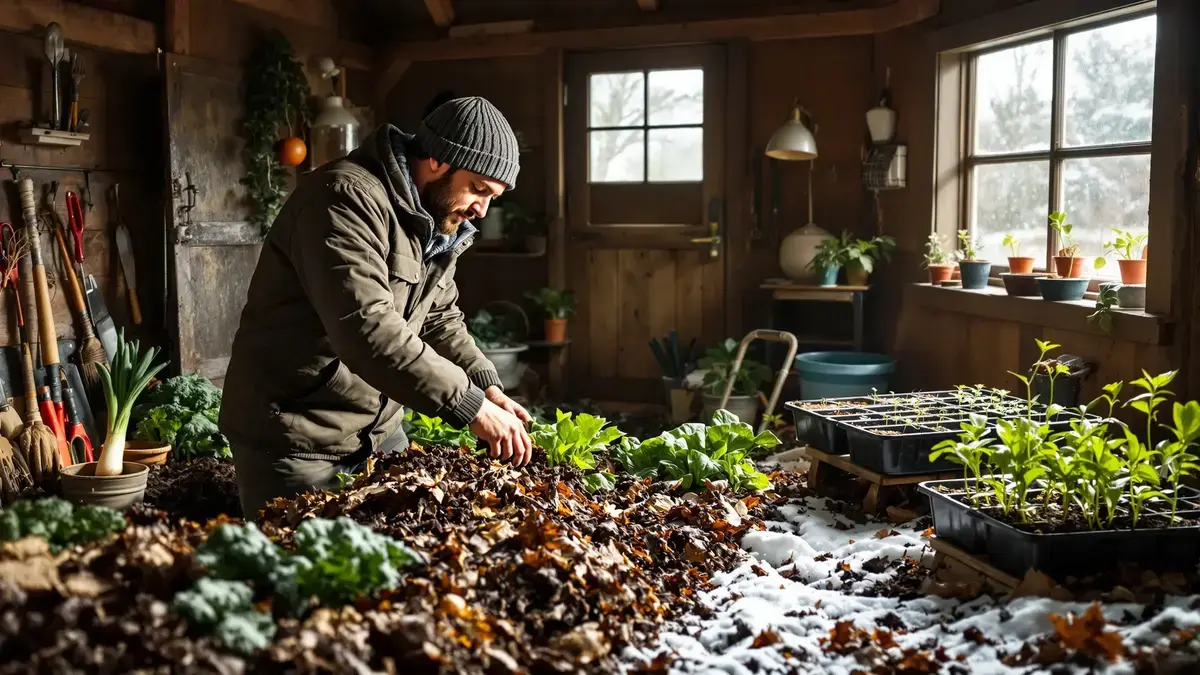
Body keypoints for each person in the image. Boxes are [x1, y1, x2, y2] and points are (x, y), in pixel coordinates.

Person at [220, 96, 534, 519]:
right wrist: (470, 406)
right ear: (439, 160)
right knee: (304, 574)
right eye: (478, 189)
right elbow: (366, 330)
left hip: (380, 432)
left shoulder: (433, 218)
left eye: (492, 196)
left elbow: (440, 317)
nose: (482, 208)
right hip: (299, 437)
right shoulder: (343, 199)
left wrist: (486, 385)